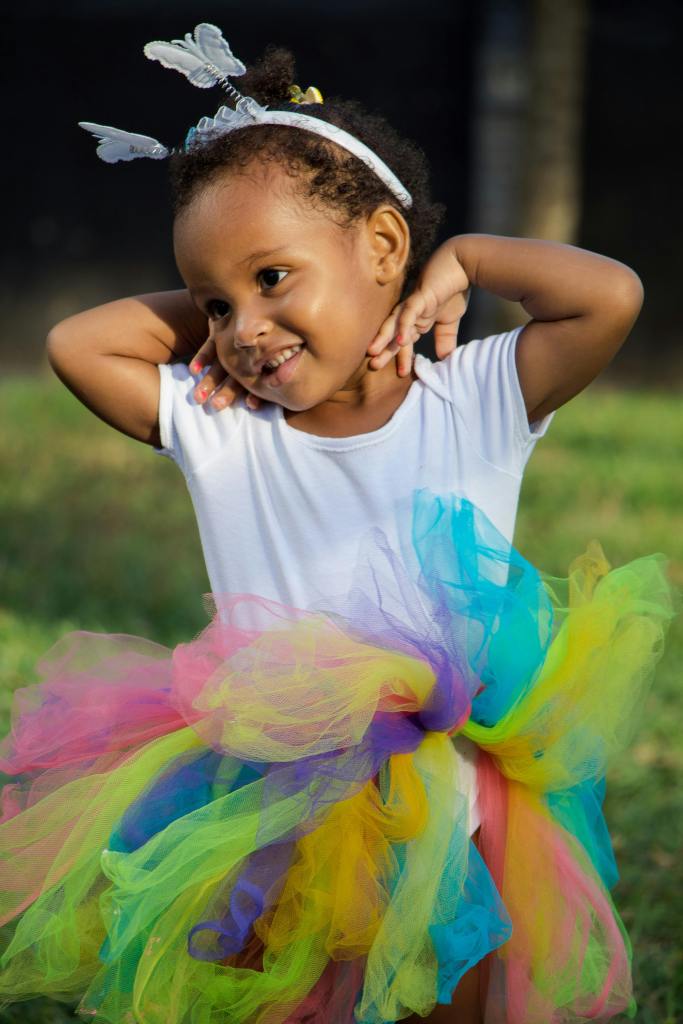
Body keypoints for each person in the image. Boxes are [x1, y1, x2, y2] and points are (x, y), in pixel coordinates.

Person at [0, 23, 677, 1024]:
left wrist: (470, 262)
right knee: (282, 996)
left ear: (382, 246)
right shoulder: (220, 424)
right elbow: (76, 344)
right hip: (268, 794)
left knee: (445, 984)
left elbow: (607, 297)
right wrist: (228, 314)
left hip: (447, 787)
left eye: (271, 279)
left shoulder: (471, 396)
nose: (244, 330)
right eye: (212, 302)